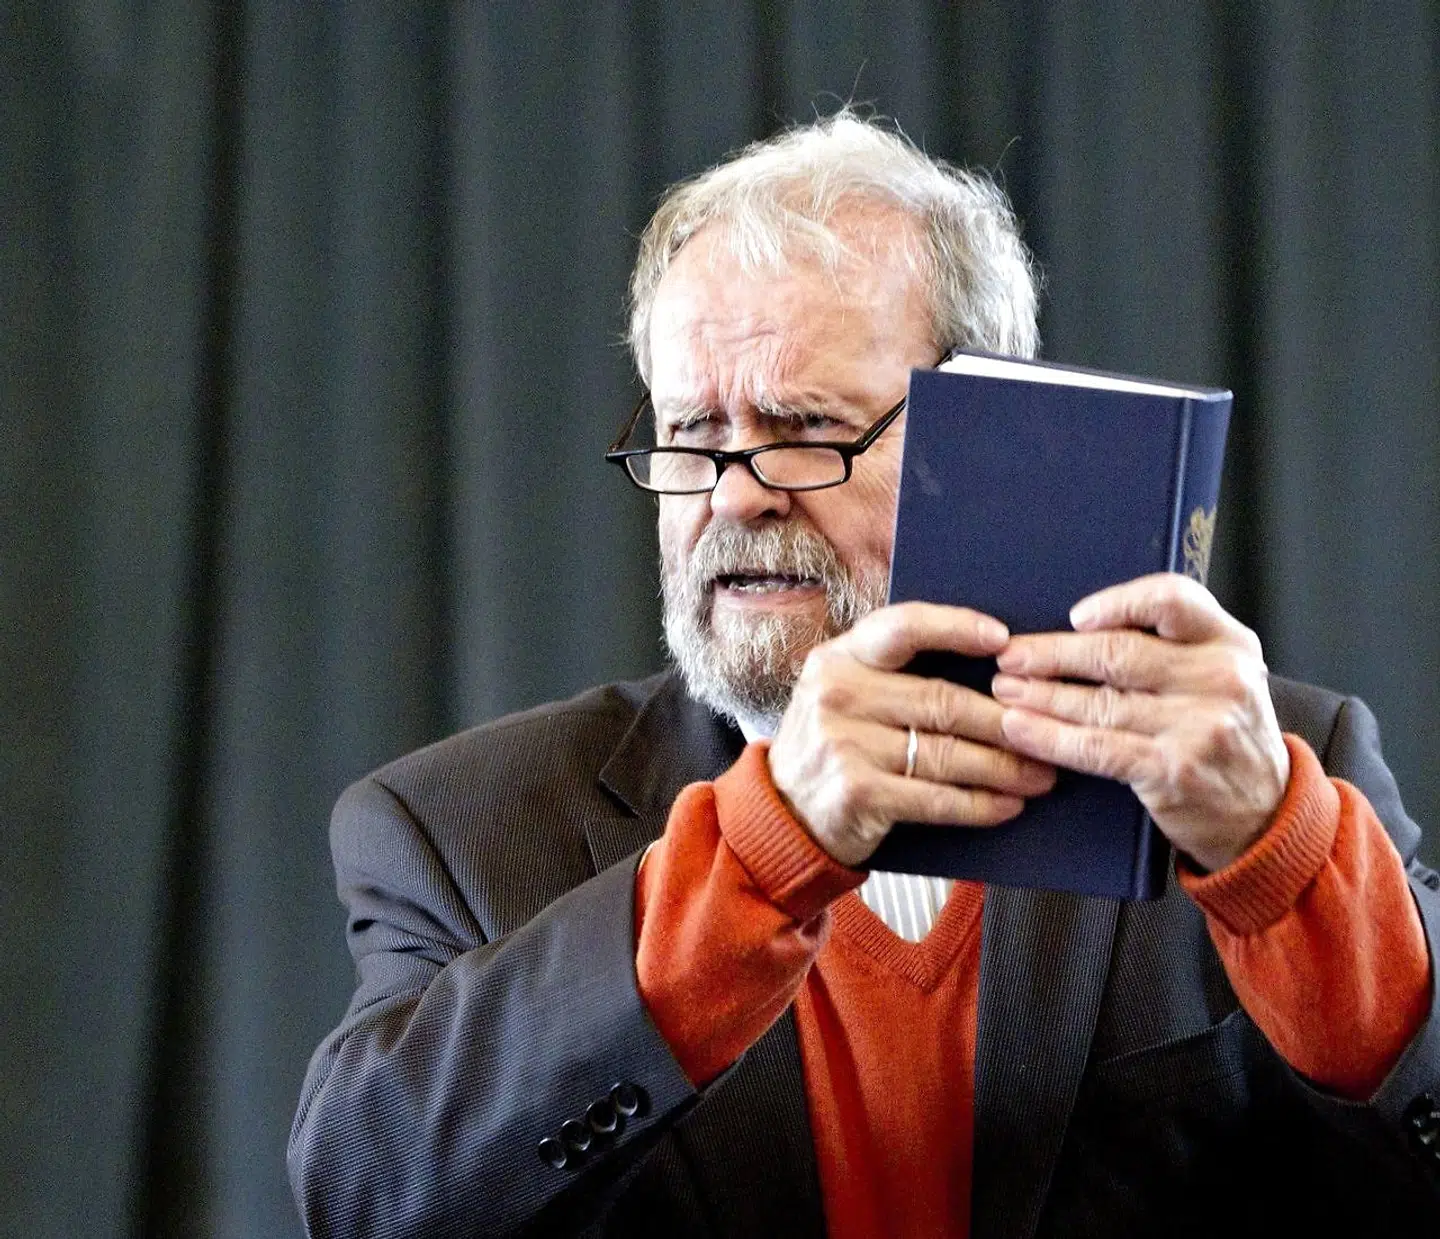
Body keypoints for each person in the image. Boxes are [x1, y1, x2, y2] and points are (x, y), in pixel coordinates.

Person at [288, 113, 1440, 1238]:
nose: (736, 494)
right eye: (693, 433)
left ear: (991, 436)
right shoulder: (462, 829)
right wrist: (760, 851)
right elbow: (364, 1196)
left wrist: (1282, 863)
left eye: (803, 430)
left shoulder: (1280, 774)